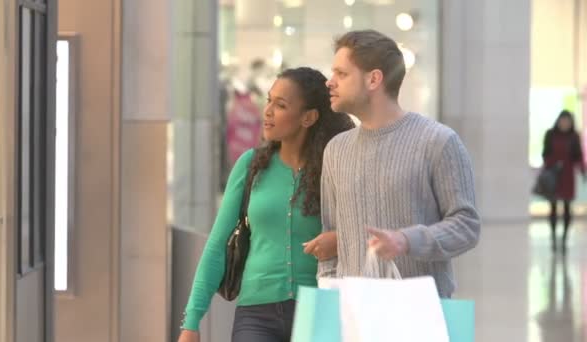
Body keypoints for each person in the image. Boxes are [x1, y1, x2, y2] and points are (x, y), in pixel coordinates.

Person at [178, 67, 354, 342]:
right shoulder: (250, 166)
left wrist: (341, 240)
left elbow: (364, 231)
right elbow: (216, 246)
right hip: (255, 314)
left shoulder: (334, 170)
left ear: (308, 117)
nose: (267, 111)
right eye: (269, 100)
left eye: (280, 105)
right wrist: (191, 321)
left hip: (319, 311)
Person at [317, 30, 480, 298]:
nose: (330, 82)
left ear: (374, 79)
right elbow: (332, 236)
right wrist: (330, 292)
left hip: (421, 313)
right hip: (355, 317)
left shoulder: (438, 141)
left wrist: (406, 240)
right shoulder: (336, 150)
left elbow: (466, 225)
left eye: (341, 74)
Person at [542, 110, 585, 253]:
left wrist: (583, 171)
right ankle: (553, 238)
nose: (564, 123)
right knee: (553, 208)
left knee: (567, 208)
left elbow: (578, 156)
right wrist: (552, 164)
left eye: (567, 121)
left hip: (567, 177)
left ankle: (564, 239)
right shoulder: (550, 134)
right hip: (554, 175)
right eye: (562, 120)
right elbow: (545, 153)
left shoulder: (574, 136)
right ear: (558, 121)